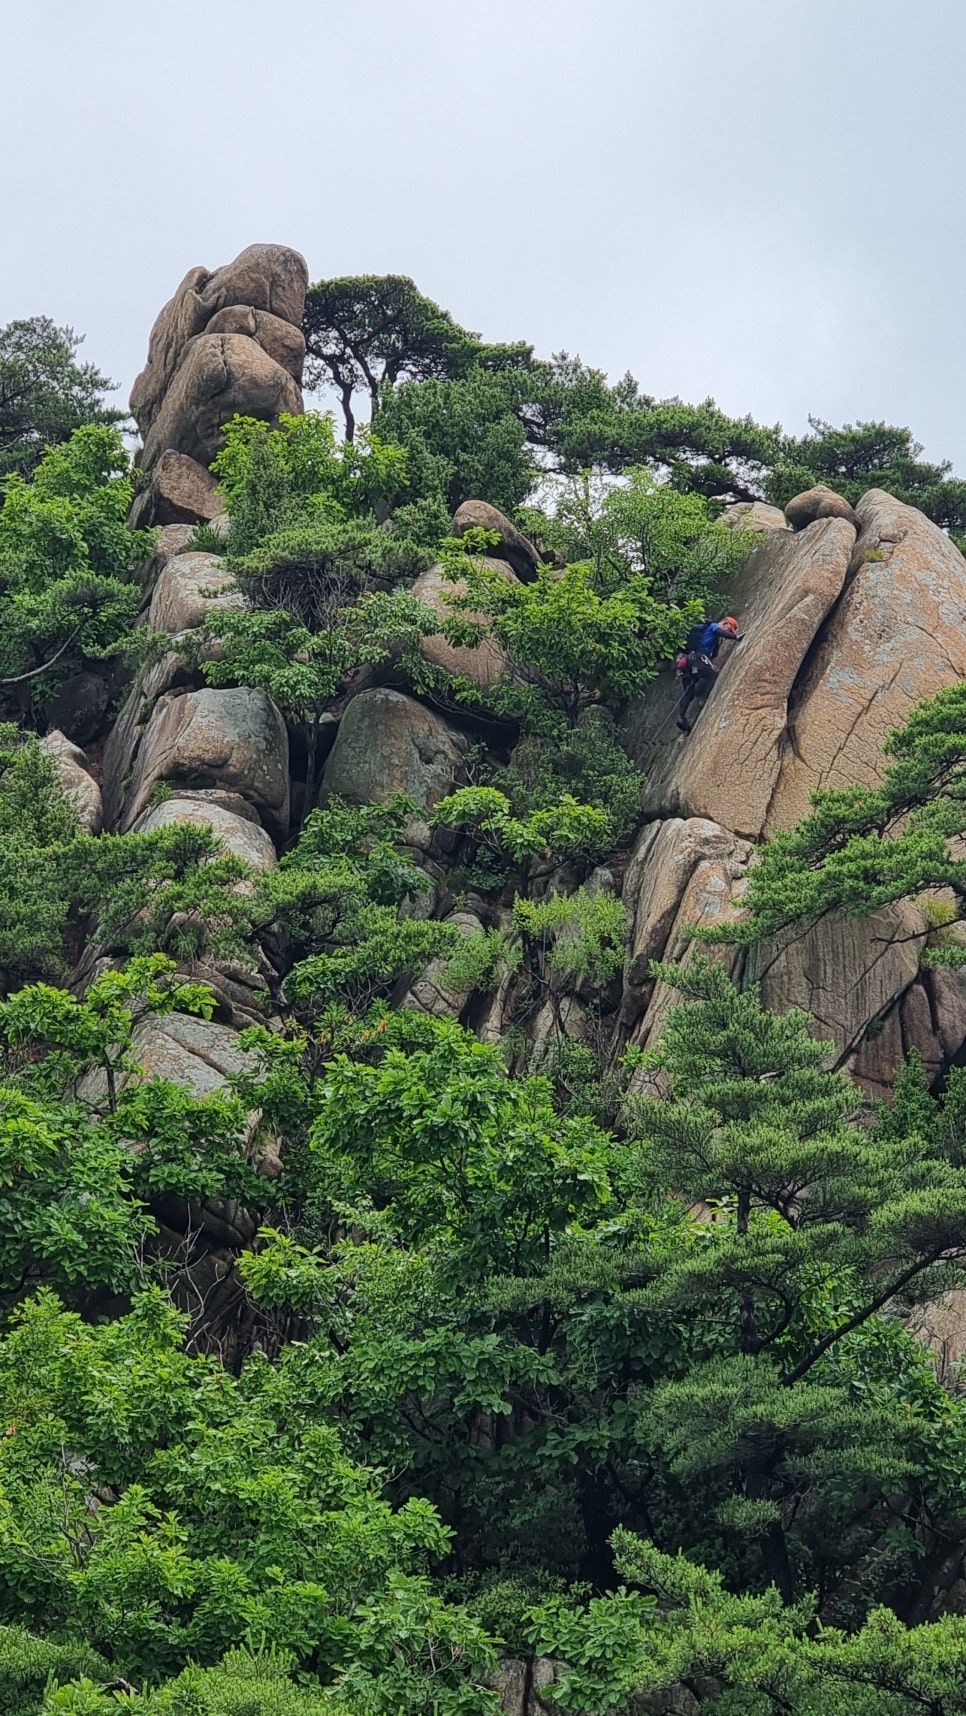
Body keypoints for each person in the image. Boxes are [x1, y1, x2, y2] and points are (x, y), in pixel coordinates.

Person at [675, 615, 741, 733]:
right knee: (714, 675)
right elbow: (720, 632)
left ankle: (681, 717)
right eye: (729, 629)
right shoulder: (713, 626)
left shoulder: (710, 636)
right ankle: (704, 699)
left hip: (688, 660)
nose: (727, 632)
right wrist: (735, 637)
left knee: (689, 693)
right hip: (698, 658)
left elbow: (713, 654)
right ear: (725, 624)